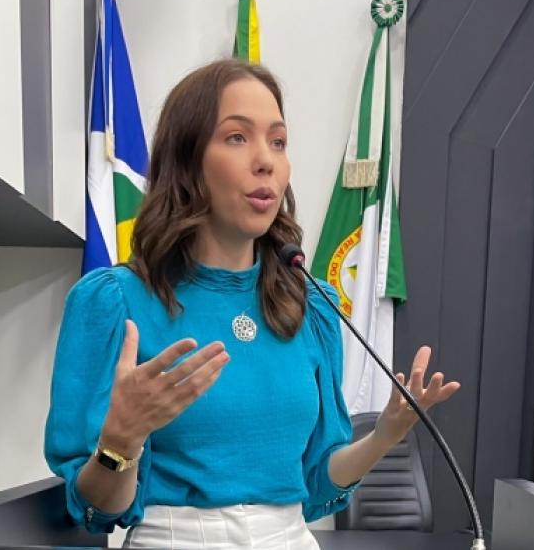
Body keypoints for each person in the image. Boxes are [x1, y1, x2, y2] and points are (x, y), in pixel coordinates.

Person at [44, 58, 460, 549]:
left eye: (278, 141)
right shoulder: (114, 301)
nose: (266, 161)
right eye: (237, 137)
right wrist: (121, 440)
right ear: (187, 160)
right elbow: (98, 509)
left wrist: (385, 434)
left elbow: (317, 485)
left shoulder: (313, 306)